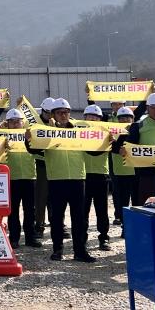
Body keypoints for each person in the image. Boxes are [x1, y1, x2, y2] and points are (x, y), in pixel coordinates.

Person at [26, 99, 95, 263]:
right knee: (57, 218)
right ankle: (57, 250)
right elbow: (34, 149)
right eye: (59, 113)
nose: (63, 115)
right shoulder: (48, 132)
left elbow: (93, 151)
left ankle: (80, 251)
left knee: (79, 218)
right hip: (56, 180)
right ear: (53, 115)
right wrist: (27, 140)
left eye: (66, 112)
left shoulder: (79, 132)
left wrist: (107, 141)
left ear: (69, 113)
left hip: (78, 179)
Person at [113, 92, 155, 204]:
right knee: (145, 207)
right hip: (146, 176)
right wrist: (122, 150)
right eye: (154, 108)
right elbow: (126, 146)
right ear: (147, 108)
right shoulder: (138, 126)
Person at [3, 108, 40, 249]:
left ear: (22, 122)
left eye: (17, 121)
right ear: (7, 123)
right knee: (13, 211)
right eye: (11, 122)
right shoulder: (2, 137)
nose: (15, 124)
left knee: (30, 210)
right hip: (11, 178)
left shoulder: (29, 136)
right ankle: (14, 238)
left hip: (29, 177)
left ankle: (31, 237)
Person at [81, 105, 112, 251]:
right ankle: (82, 238)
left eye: (96, 117)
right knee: (83, 210)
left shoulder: (106, 134)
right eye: (90, 116)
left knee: (102, 210)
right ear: (84, 118)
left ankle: (104, 238)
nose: (93, 119)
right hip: (83, 175)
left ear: (100, 119)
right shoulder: (79, 133)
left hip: (101, 175)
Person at [110, 106, 137, 235]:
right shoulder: (113, 133)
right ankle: (125, 227)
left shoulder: (137, 131)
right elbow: (110, 146)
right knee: (123, 203)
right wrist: (118, 147)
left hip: (136, 171)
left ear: (133, 119)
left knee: (137, 202)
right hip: (120, 172)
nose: (125, 120)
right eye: (122, 118)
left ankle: (136, 227)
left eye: (128, 117)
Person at [33, 97, 55, 239]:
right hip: (41, 164)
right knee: (40, 197)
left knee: (55, 196)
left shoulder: (59, 124)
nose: (50, 116)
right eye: (48, 113)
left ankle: (57, 223)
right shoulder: (35, 124)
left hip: (56, 163)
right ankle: (39, 225)